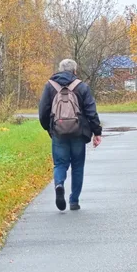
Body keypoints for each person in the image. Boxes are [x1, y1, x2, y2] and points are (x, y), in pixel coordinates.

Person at [38, 59, 103, 211]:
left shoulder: (50, 86)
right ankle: (74, 201)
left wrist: (50, 128)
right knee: (78, 166)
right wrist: (97, 132)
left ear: (60, 70)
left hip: (58, 132)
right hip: (78, 133)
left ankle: (59, 184)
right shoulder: (81, 86)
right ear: (75, 71)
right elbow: (91, 111)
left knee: (60, 164)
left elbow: (43, 112)